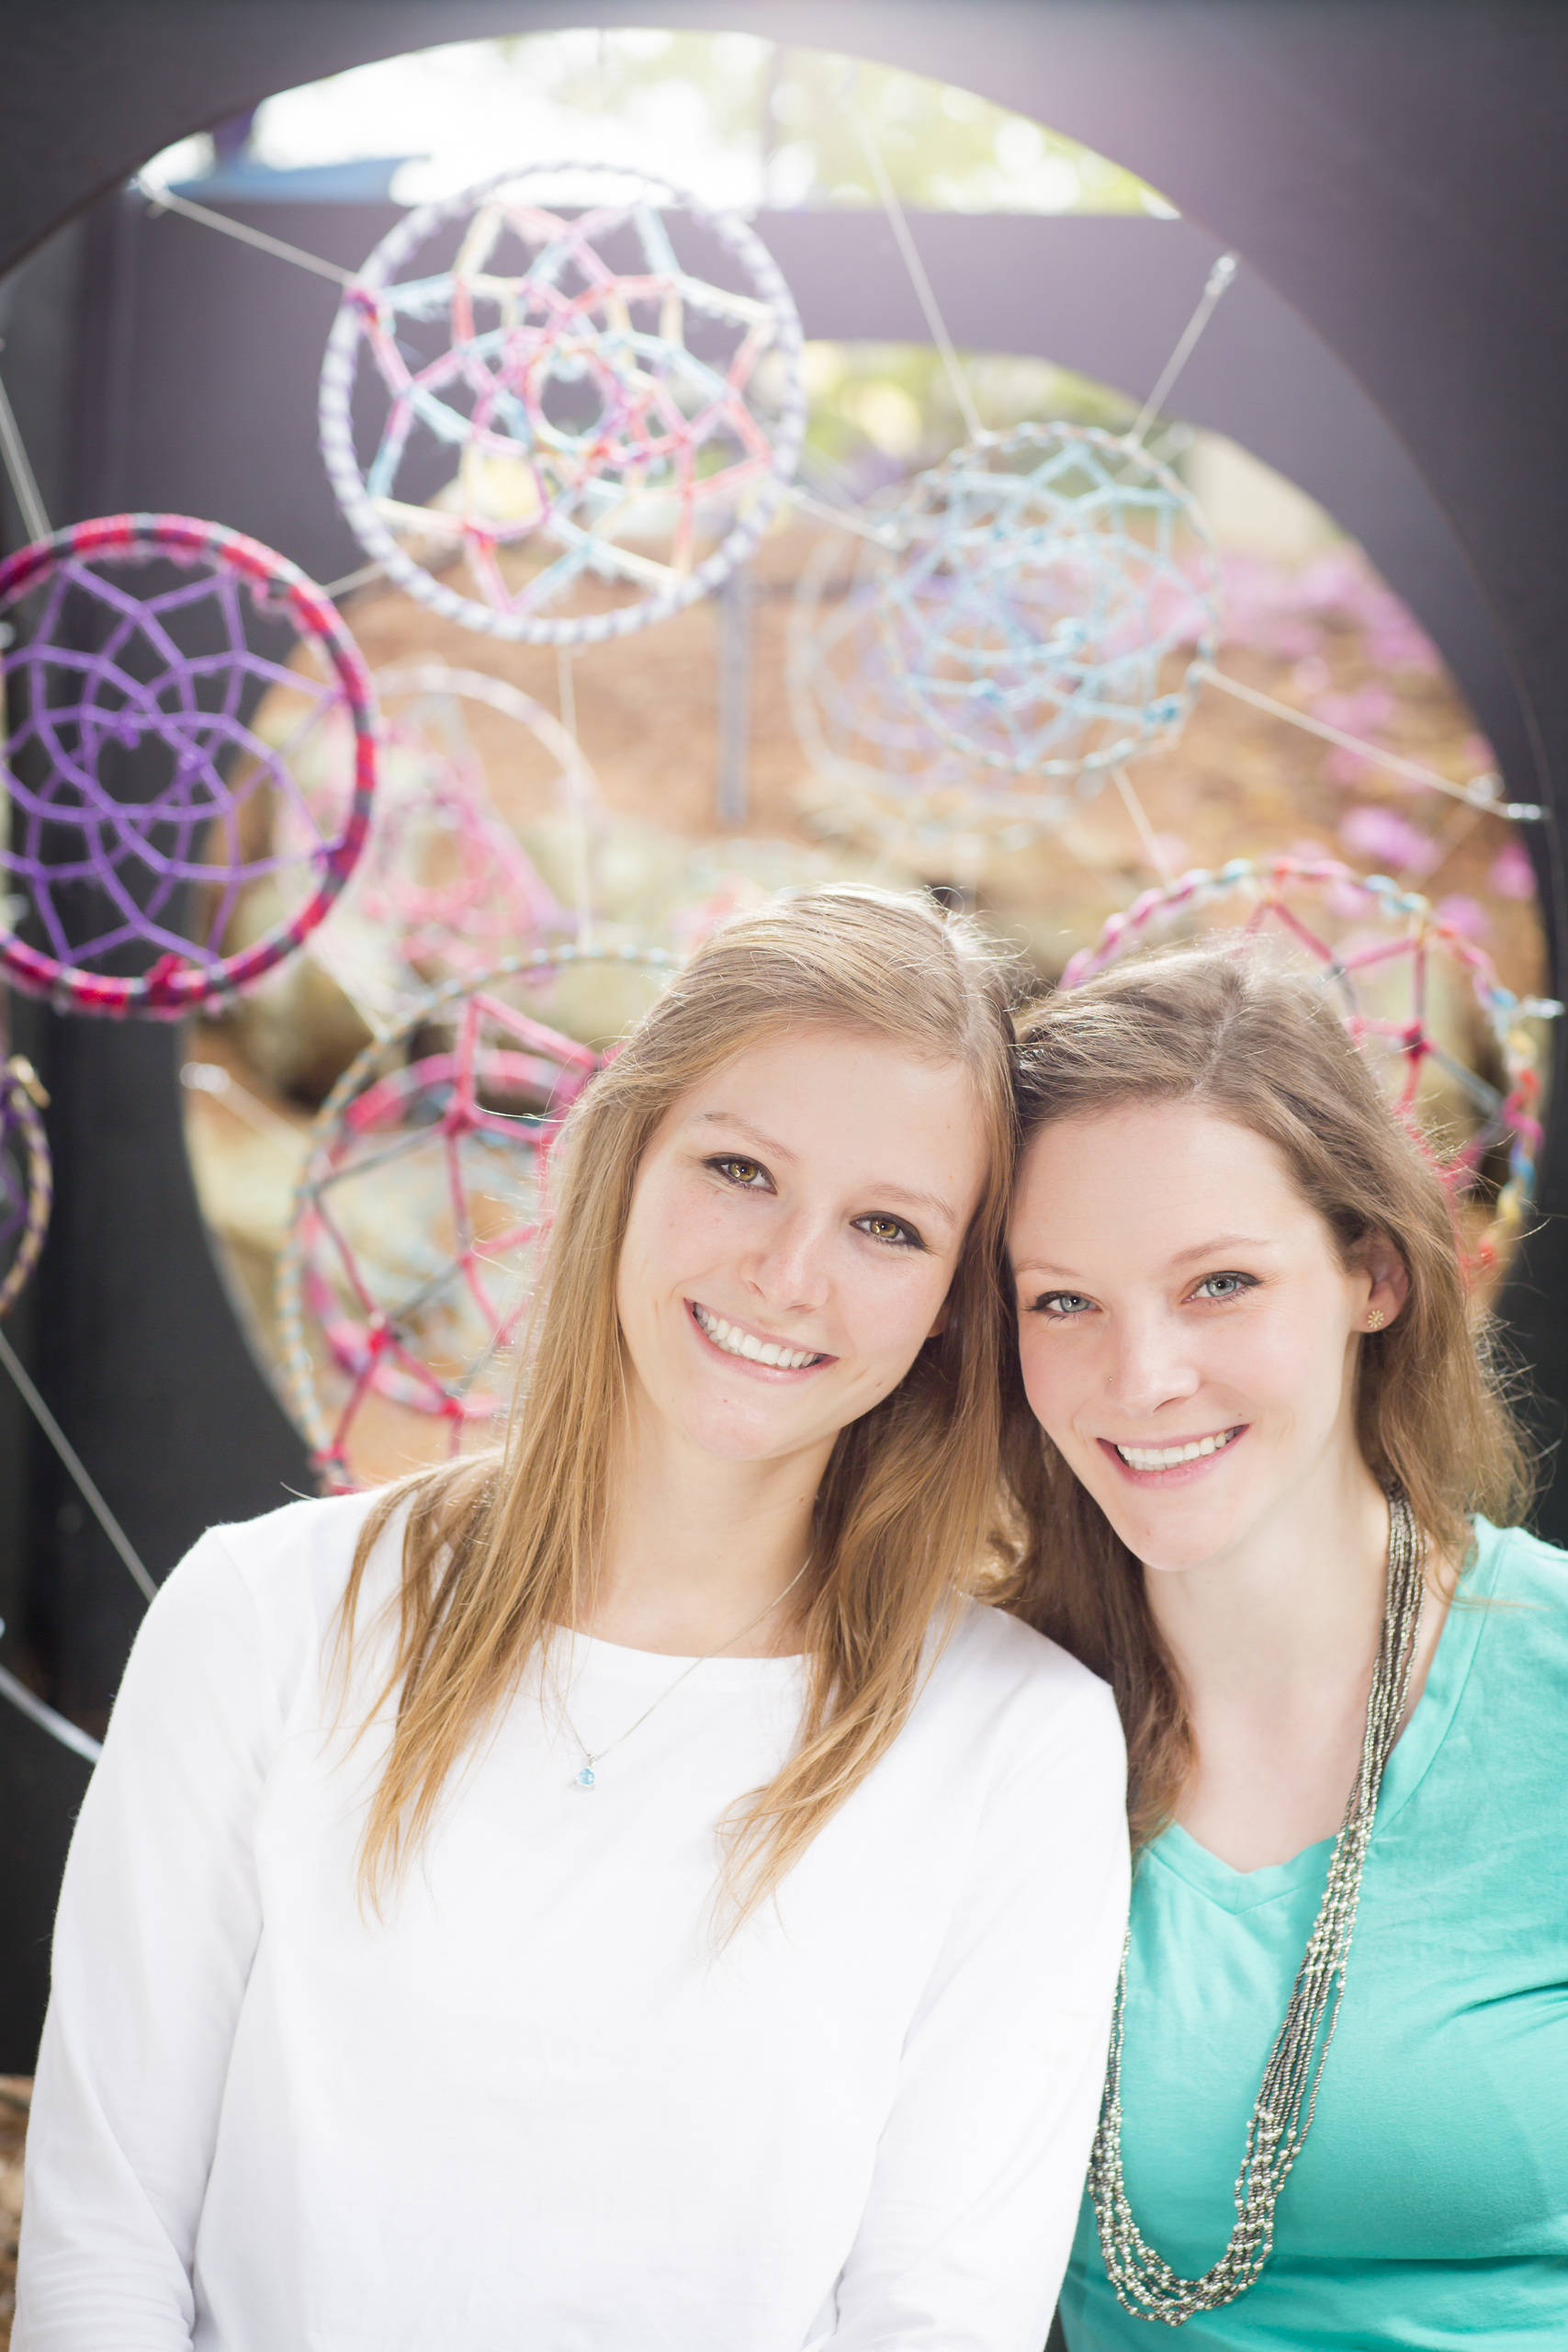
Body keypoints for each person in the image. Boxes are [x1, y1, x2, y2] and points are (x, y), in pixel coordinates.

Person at [18, 887, 1129, 2352]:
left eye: (887, 1226)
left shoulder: (1017, 1745)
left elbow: (937, 2319)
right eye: (740, 1169)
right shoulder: (267, 1614)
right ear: (623, 1152)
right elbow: (104, 2242)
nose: (789, 1276)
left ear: (947, 1304)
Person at [1005, 944, 1568, 2348]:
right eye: (1063, 1300)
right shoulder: (971, 1716)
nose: (1143, 1380)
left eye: (1220, 1285)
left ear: (1373, 1273)